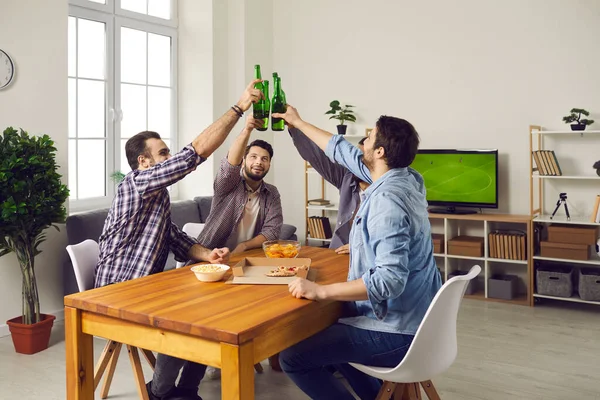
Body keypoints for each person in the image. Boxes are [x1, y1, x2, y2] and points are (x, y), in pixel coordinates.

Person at [94, 79, 263, 400]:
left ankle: (185, 391)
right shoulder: (137, 184)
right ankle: (159, 393)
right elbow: (193, 154)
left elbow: (175, 238)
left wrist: (207, 255)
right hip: (116, 294)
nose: (169, 157)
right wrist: (239, 108)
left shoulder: (156, 196)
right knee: (184, 321)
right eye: (162, 153)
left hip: (145, 288)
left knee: (210, 314)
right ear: (143, 162)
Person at [272, 105, 442, 400]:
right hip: (420, 323)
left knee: (293, 357)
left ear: (379, 152)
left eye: (368, 138)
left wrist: (320, 291)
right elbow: (340, 151)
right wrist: (297, 122)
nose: (361, 142)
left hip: (399, 332)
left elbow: (389, 281)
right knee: (331, 335)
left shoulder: (387, 201)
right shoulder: (407, 178)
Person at [196, 115, 283, 379]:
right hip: (210, 262)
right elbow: (227, 165)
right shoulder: (228, 186)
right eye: (254, 156)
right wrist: (246, 128)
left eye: (265, 158)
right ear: (244, 160)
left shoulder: (271, 193)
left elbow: (272, 231)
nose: (259, 162)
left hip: (244, 264)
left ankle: (247, 351)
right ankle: (207, 358)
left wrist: (243, 247)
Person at [289, 127, 369, 254]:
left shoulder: (386, 190)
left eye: (362, 158)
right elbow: (315, 155)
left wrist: (360, 247)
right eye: (356, 156)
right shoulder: (346, 177)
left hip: (367, 255)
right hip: (338, 250)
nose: (357, 162)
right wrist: (294, 126)